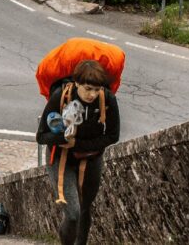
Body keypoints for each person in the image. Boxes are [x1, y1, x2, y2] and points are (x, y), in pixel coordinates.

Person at [36, 60, 120, 245]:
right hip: (61, 158)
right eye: (88, 88)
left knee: (84, 209)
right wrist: (63, 140)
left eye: (96, 90)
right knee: (73, 214)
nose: (92, 94)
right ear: (77, 83)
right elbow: (41, 136)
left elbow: (113, 136)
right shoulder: (61, 96)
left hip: (91, 158)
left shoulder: (107, 99)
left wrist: (78, 143)